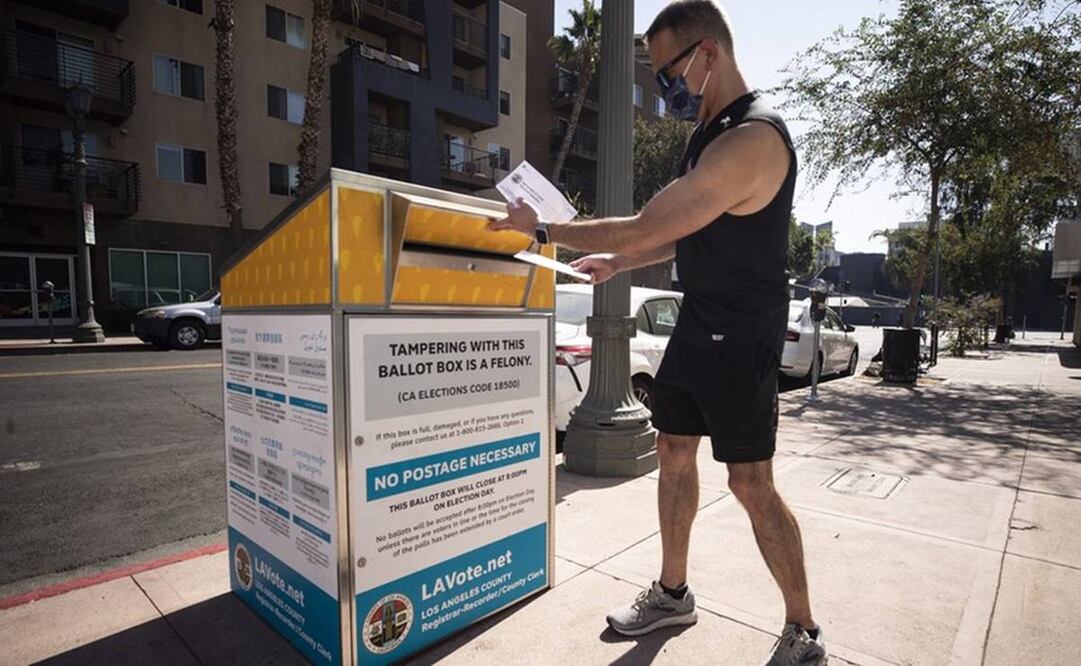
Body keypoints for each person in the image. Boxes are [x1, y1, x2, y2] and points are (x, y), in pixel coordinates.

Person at [489, 2, 825, 663]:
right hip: (700, 319)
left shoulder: (751, 139)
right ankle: (673, 594)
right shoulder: (707, 131)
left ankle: (803, 629)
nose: (664, 82)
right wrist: (619, 262)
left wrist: (544, 229)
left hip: (744, 326)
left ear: (707, 54)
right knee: (673, 450)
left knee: (748, 482)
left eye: (667, 68)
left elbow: (649, 222)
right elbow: (677, 234)